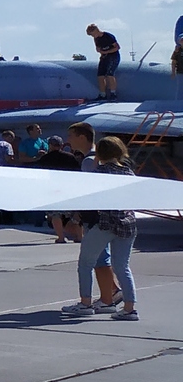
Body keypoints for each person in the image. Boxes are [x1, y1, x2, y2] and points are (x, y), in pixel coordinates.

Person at [64, 136, 139, 320]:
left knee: (86, 263)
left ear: (99, 153)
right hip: (127, 224)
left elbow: (90, 200)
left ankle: (85, 303)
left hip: (105, 224)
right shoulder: (129, 173)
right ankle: (130, 308)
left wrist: (75, 217)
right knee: (122, 267)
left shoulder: (99, 173)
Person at [87, 23, 122, 98]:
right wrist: (100, 51)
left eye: (92, 34)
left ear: (96, 30)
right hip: (104, 57)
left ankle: (113, 93)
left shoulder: (108, 36)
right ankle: (102, 94)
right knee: (100, 75)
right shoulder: (96, 39)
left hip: (113, 56)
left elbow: (117, 47)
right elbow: (98, 48)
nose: (92, 36)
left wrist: (106, 52)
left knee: (110, 74)